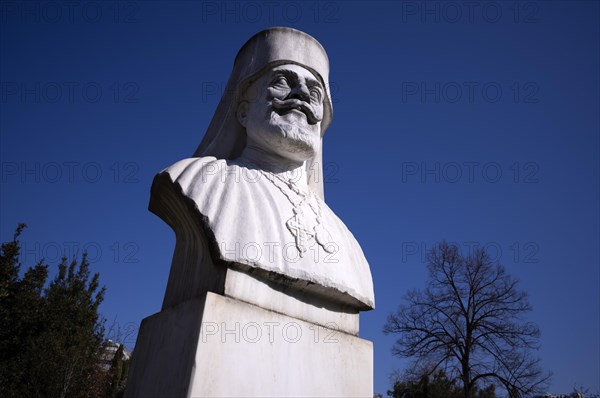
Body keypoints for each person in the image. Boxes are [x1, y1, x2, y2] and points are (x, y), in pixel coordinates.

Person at [150, 27, 374, 311]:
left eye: (315, 92)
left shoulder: (345, 243)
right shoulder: (198, 182)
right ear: (242, 111)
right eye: (282, 81)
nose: (302, 94)